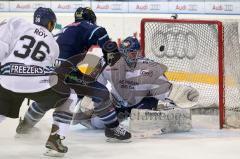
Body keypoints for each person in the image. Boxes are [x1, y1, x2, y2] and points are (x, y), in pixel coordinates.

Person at [17, 7, 131, 154]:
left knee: (49, 100)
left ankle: (25, 127)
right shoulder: (88, 26)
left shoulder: (66, 28)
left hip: (47, 70)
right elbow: (101, 36)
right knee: (101, 92)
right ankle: (113, 129)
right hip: (65, 71)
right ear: (91, 19)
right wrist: (112, 53)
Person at [72, 36, 199, 129]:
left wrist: (176, 94)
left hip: (143, 102)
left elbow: (163, 88)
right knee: (98, 124)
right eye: (132, 54)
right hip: (118, 104)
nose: (135, 56)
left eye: (136, 53)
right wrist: (88, 100)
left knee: (139, 120)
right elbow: (96, 85)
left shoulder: (149, 67)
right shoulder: (108, 65)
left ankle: (163, 110)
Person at [0, 7, 74, 157]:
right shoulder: (53, 43)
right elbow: (49, 67)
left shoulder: (18, 23)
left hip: (8, 77)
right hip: (36, 82)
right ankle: (55, 140)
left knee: (1, 109)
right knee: (70, 96)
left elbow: (3, 46)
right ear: (50, 24)